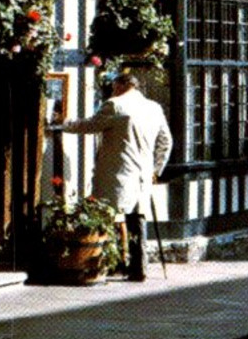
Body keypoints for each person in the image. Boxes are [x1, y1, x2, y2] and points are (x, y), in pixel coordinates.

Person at [61, 70, 172, 280]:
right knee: (137, 218)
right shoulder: (154, 108)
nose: (113, 90)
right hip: (142, 174)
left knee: (107, 215)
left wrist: (64, 123)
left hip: (117, 172)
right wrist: (155, 170)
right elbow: (166, 142)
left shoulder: (115, 105)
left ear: (119, 86)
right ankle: (139, 268)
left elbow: (90, 126)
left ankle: (107, 264)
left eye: (114, 87)